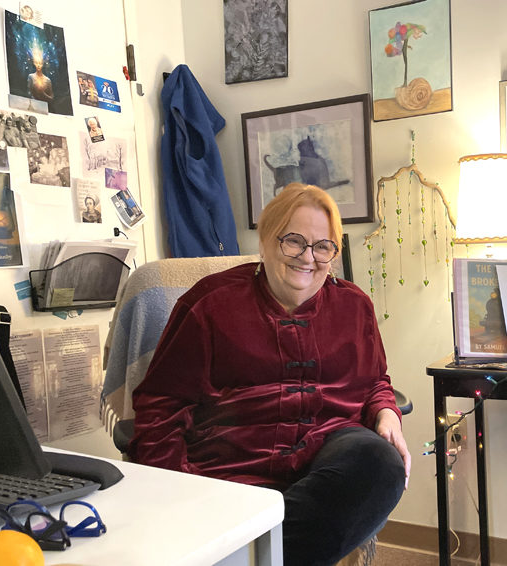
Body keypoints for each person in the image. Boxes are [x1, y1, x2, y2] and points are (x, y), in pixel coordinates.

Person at [130, 183, 410, 566]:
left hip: (327, 452)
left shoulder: (354, 306)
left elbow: (376, 379)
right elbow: (160, 404)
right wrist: (177, 494)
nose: (307, 258)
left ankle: (246, 552)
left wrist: (386, 411)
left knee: (381, 465)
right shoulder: (209, 304)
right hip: (230, 468)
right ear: (265, 240)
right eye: (293, 241)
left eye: (322, 246)